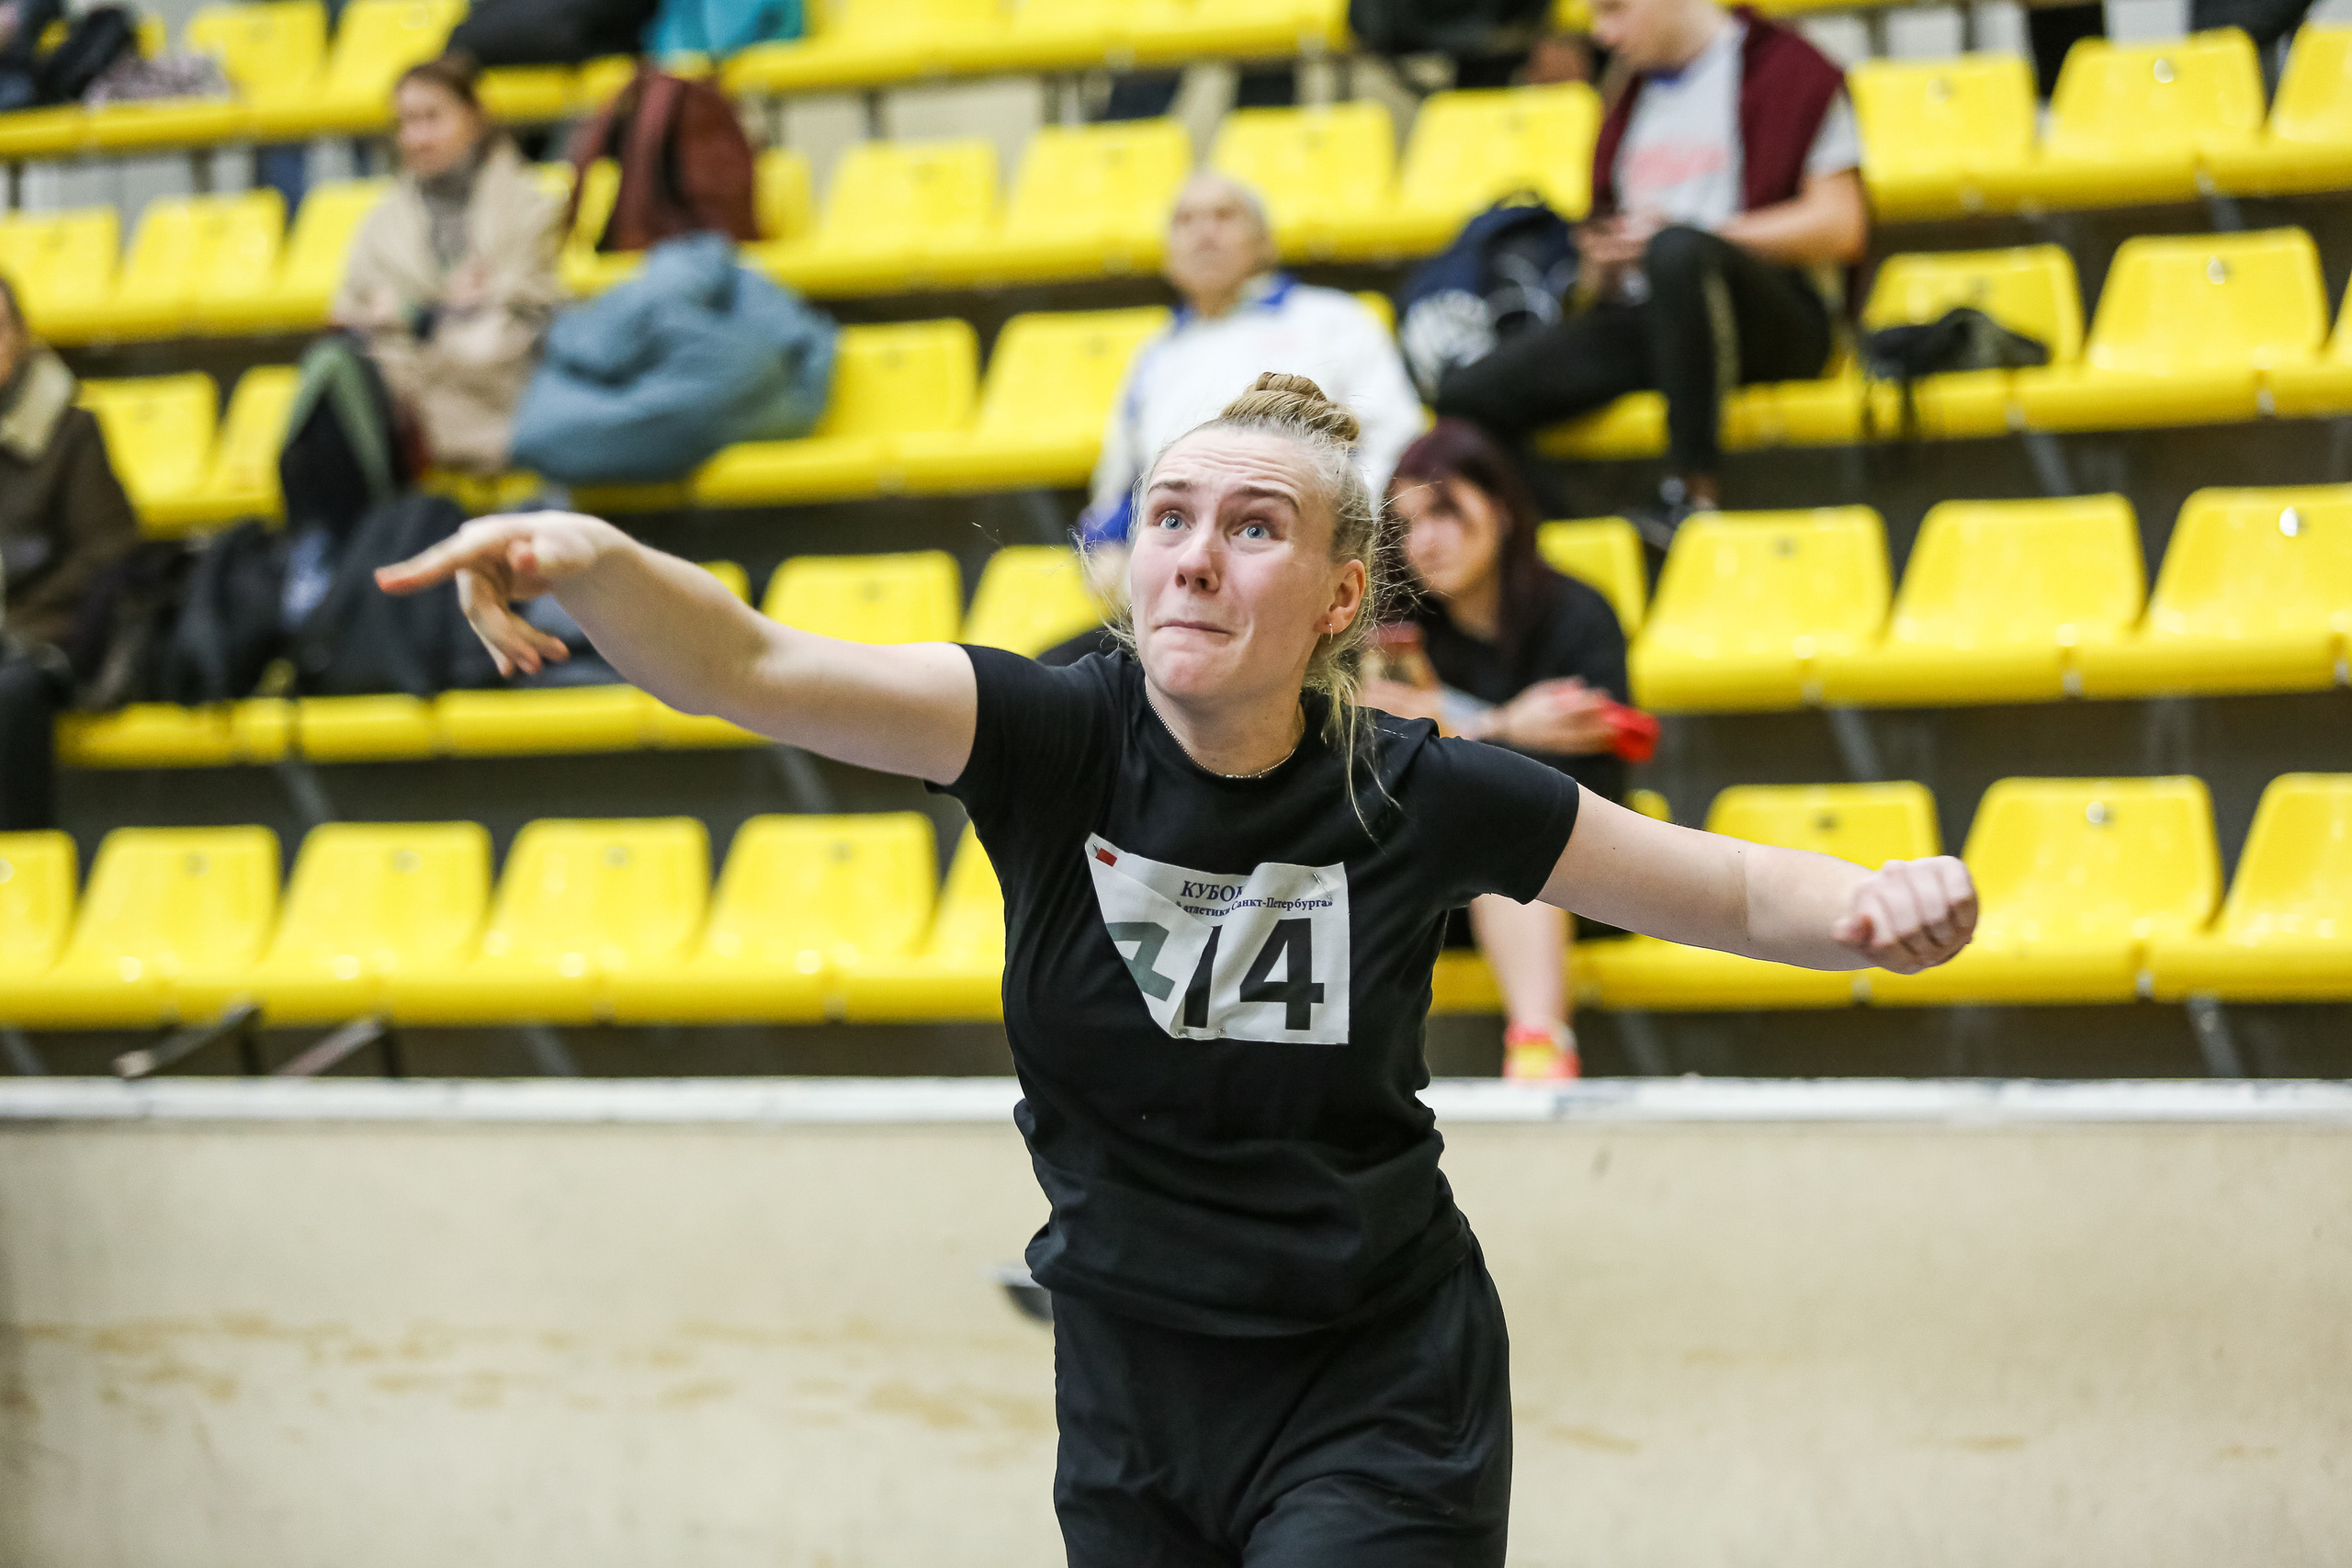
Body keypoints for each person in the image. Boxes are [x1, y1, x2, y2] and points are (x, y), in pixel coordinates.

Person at [379, 370, 1976, 1567]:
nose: (1199, 557)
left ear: (1342, 597)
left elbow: (1739, 884)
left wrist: (1873, 903)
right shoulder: (1047, 736)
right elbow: (749, 664)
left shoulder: (1419, 785)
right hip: (1130, 1394)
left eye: (1255, 527)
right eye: (1171, 518)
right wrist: (589, 556)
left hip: (1375, 1380)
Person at [1433, 0, 1867, 526]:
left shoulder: (1789, 67)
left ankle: (1692, 493)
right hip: (1653, 313)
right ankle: (1554, 544)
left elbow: (1842, 225)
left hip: (1775, 316)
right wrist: (1604, 262)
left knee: (1677, 251)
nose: (1602, 33)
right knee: (1466, 397)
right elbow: (1607, 252)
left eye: (1613, 11)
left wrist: (1697, 236)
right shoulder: (1627, 91)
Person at [1366, 418, 1631, 1081]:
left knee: (1512, 817)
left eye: (1447, 511)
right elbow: (1377, 740)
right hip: (1429, 884)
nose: (1426, 539)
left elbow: (1598, 759)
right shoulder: (1395, 634)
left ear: (1504, 509)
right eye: (1406, 524)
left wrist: (1450, 724)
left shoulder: (1577, 615)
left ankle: (1540, 1054)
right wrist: (1509, 722)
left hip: (1578, 878)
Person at [1078, 171, 1422, 589]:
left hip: (1309, 573)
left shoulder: (1336, 321)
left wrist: (1334, 538)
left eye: (1224, 216)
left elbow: (1397, 447)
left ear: (1264, 241)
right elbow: (1119, 490)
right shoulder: (1155, 354)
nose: (1204, 234)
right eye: (1185, 221)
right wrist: (1108, 556)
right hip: (1177, 587)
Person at [333, 54, 563, 476]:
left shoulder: (531, 206)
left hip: (507, 397)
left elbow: (526, 314)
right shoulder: (379, 223)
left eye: (432, 118)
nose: (417, 137)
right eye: (406, 122)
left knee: (489, 341)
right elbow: (350, 316)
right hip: (406, 412)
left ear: (473, 117)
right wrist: (438, 310)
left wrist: (410, 317)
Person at [0, 272, 139, 831]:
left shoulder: (70, 432)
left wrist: (16, 609)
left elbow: (110, 549)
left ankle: (20, 863)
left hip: (48, 637)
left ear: (23, 336)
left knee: (7, 694)